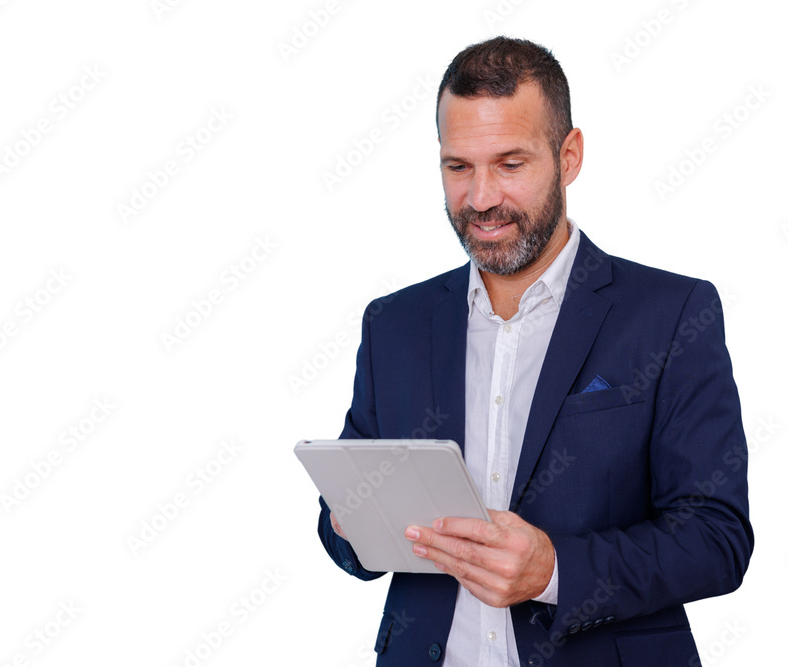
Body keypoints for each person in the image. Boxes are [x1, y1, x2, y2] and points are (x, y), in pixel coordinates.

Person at [317, 36, 753, 666]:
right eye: (458, 167)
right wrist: (348, 521)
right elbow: (346, 523)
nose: (481, 198)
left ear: (568, 156)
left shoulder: (670, 315)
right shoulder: (394, 323)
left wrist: (555, 570)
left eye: (510, 164)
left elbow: (717, 538)